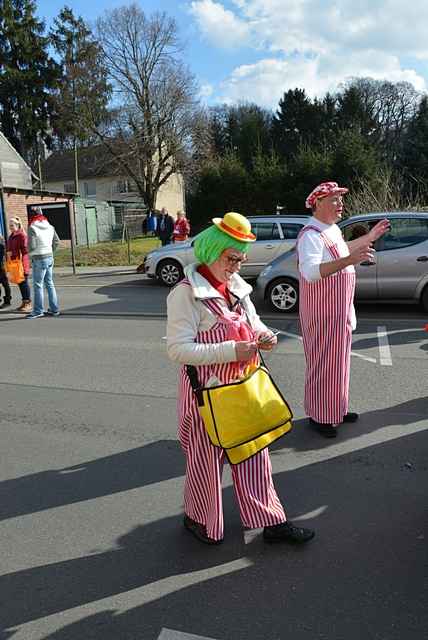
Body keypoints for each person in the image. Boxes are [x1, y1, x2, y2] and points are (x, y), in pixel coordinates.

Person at [167, 211, 315, 545]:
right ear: (212, 251)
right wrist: (233, 350)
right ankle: (199, 520)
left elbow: (255, 321)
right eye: (232, 257)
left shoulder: (236, 286)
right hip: (205, 395)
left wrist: (265, 336)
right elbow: (177, 350)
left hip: (243, 387)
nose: (238, 264)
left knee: (255, 456)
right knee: (205, 463)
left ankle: (272, 522)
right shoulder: (185, 293)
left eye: (242, 257)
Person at [297, 182, 390, 438]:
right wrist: (349, 261)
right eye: (335, 200)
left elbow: (342, 250)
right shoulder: (310, 235)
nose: (341, 205)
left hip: (338, 312)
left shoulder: (331, 229)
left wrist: (369, 238)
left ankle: (336, 409)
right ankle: (319, 416)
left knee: (338, 364)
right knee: (322, 366)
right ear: (318, 204)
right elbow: (311, 272)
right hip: (322, 314)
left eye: (340, 200)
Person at [27, 207, 60, 319]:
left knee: (38, 285)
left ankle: (38, 311)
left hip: (38, 258)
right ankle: (54, 309)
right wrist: (50, 251)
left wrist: (30, 254)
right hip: (49, 257)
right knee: (49, 283)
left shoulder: (32, 227)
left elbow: (32, 246)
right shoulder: (50, 226)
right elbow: (57, 241)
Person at [6, 216, 31, 313]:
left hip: (21, 262)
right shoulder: (12, 236)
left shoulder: (21, 235)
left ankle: (28, 303)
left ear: (17, 225)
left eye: (12, 225)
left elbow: (25, 250)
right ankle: (24, 302)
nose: (10, 227)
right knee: (20, 283)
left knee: (24, 283)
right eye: (9, 225)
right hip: (14, 263)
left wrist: (15, 253)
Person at [0, 234, 12, 309]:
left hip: (1, 268)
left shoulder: (1, 245)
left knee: (5, 284)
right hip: (2, 267)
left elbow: (2, 257)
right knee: (5, 284)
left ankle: (7, 301)